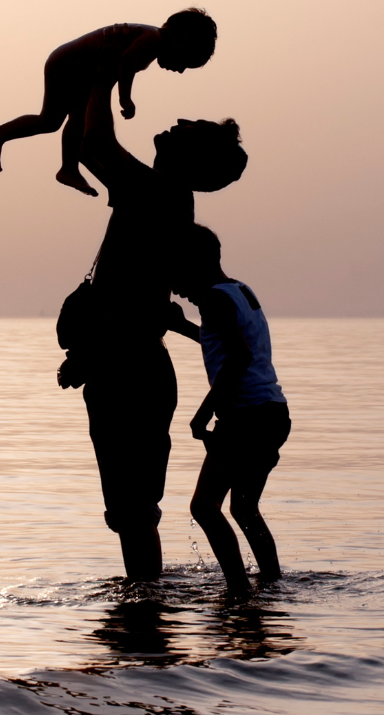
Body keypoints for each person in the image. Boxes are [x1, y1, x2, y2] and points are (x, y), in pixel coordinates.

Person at [58, 67, 247, 582]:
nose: (179, 118)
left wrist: (101, 68)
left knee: (133, 511)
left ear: (190, 157)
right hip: (132, 366)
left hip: (129, 369)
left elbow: (96, 139)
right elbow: (84, 143)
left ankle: (145, 625)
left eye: (190, 126)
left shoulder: (157, 191)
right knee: (131, 512)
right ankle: (145, 626)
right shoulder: (161, 196)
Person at [170, 224, 291, 594]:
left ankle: (238, 591)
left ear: (196, 263)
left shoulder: (213, 300)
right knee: (243, 508)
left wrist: (203, 413)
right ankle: (270, 585)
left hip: (245, 418)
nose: (175, 285)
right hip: (272, 414)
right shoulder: (239, 291)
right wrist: (183, 328)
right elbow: (225, 341)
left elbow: (238, 358)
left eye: (177, 271)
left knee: (205, 508)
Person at [0, 9, 217, 196]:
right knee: (51, 120)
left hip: (77, 68)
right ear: (183, 36)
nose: (180, 70)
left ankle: (68, 168)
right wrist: (125, 98)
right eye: (186, 61)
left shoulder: (151, 41)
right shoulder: (153, 39)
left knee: (73, 119)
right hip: (68, 65)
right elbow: (125, 62)